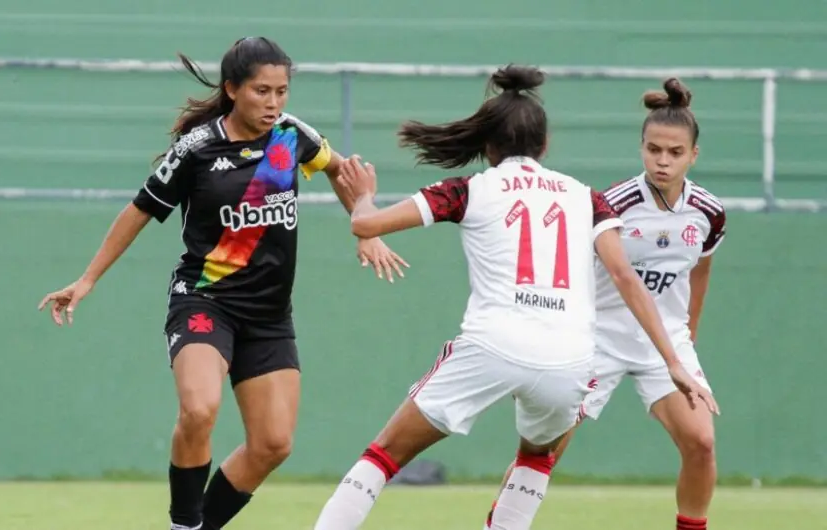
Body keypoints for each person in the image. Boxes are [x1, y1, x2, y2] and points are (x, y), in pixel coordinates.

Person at [311, 65, 717, 530]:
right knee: (536, 459)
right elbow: (625, 276)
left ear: (488, 145)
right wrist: (674, 359)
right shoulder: (586, 197)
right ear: (544, 146)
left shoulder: (468, 190)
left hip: (493, 346)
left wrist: (363, 197)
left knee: (384, 455)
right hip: (569, 360)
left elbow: (366, 225)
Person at [37, 37, 408, 530]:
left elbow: (345, 174)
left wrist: (366, 223)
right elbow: (140, 210)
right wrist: (87, 279)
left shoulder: (292, 138)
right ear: (232, 89)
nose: (274, 102)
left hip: (270, 315)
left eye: (281, 91)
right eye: (261, 91)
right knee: (199, 408)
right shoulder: (196, 148)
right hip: (205, 300)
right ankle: (184, 523)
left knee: (274, 444)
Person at [484, 78, 726, 530]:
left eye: (675, 152)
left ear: (694, 155)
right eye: (654, 149)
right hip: (596, 339)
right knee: (545, 450)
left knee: (702, 443)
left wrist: (687, 334)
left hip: (664, 345)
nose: (663, 160)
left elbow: (701, 271)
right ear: (641, 148)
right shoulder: (611, 203)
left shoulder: (709, 213)